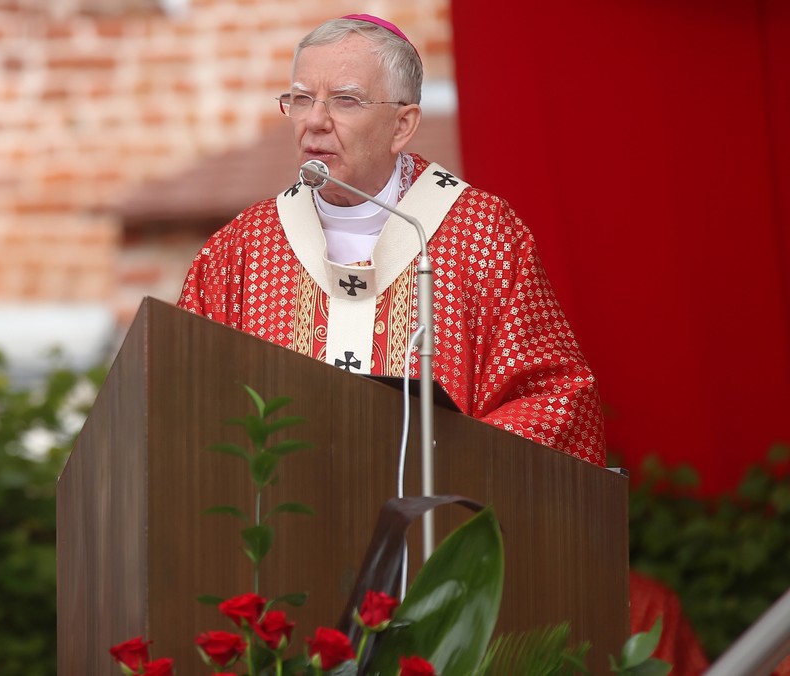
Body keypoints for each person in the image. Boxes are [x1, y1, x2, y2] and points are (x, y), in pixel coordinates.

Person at [177, 13, 605, 465]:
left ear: (402, 125)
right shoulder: (241, 249)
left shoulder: (482, 234)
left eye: (345, 100)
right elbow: (188, 391)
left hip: (433, 522)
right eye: (301, 99)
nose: (315, 121)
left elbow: (556, 398)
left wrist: (445, 461)